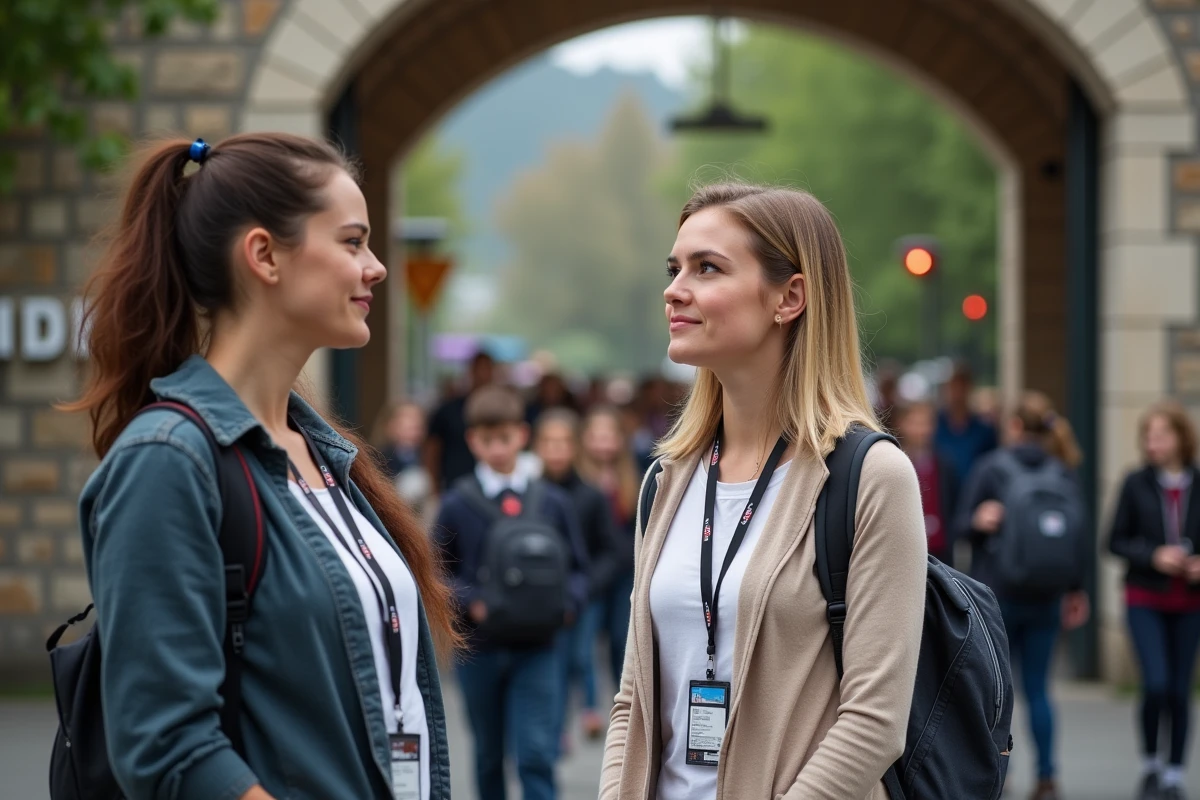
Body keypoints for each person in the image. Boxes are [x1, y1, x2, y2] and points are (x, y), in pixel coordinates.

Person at [64, 134, 460, 799]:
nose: (376, 268)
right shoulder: (167, 462)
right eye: (353, 242)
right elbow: (167, 749)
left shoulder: (324, 454)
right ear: (264, 255)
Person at [600, 183, 927, 800]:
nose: (674, 289)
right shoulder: (666, 481)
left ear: (789, 297)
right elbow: (632, 700)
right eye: (674, 268)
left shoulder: (870, 477)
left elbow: (874, 723)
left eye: (707, 268)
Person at [434, 385, 590, 800]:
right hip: (479, 649)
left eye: (505, 438)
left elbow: (579, 567)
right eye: (487, 440)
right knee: (488, 755)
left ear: (522, 435)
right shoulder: (456, 503)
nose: (498, 449)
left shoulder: (551, 501)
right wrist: (472, 602)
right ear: (472, 441)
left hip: (539, 646)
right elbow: (437, 572)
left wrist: (568, 606)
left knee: (536, 754)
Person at [954, 391, 1090, 800]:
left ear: (1014, 426)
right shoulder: (1063, 471)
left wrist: (978, 521)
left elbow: (962, 526)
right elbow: (1078, 536)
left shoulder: (991, 468)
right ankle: (1047, 776)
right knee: (1039, 689)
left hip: (996, 597)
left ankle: (1000, 773)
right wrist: (1076, 590)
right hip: (1047, 596)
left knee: (998, 690)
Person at [1109, 401, 1200, 800]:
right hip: (1144, 597)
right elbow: (1114, 541)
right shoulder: (1135, 482)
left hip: (1190, 603)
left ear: (1181, 437)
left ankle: (1175, 775)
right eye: (1148, 436)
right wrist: (1154, 556)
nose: (1152, 443)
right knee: (1156, 684)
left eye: (1161, 435)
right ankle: (1151, 765)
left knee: (1180, 690)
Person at [534, 409, 622, 744]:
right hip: (540, 599)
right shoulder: (530, 494)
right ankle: (556, 729)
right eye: (549, 443)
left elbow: (611, 550)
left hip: (584, 596)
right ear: (537, 446)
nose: (556, 451)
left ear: (575, 447)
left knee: (580, 656)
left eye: (563, 443)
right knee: (550, 664)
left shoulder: (592, 496)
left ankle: (586, 710)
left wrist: (588, 586)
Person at [577, 405, 640, 687]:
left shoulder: (633, 477)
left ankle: (622, 698)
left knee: (621, 639)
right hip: (592, 571)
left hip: (625, 573)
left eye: (609, 436)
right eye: (596, 436)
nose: (603, 444)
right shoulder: (579, 481)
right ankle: (588, 703)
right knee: (585, 646)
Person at [894, 400, 960, 564]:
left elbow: (954, 504)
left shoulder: (945, 463)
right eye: (915, 423)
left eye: (925, 424)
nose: (921, 430)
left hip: (940, 551)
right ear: (902, 424)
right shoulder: (893, 461)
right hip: (905, 551)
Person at [424, 350, 496, 495]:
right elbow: (432, 448)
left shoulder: (501, 412)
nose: (483, 374)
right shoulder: (449, 410)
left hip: (492, 489)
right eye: (479, 368)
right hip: (454, 484)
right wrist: (434, 485)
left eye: (487, 369)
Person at [936, 362, 998, 485]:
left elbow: (991, 464)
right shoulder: (934, 426)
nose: (957, 393)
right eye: (954, 386)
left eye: (962, 387)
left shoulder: (984, 430)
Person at [376, 400, 433, 516]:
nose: (415, 431)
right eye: (408, 426)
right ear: (391, 426)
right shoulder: (380, 458)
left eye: (418, 426)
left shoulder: (426, 456)